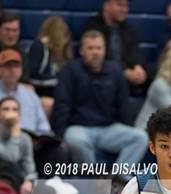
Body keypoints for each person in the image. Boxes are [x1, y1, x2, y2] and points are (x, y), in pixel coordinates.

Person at [52, 30, 148, 166]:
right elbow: (62, 105)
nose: (95, 52)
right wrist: (60, 136)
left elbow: (123, 105)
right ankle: (94, 179)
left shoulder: (115, 70)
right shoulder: (70, 71)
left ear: (104, 50)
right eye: (90, 48)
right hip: (79, 128)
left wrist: (126, 126)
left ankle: (119, 178)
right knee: (75, 140)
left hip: (108, 129)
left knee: (140, 137)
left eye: (99, 48)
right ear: (81, 51)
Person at [83, 0, 148, 98]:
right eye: (119, 5)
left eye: (126, 6)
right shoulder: (93, 26)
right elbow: (100, 57)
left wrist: (138, 67)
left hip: (128, 74)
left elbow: (135, 51)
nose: (124, 9)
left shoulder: (128, 28)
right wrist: (124, 71)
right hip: (103, 74)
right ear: (106, 6)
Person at [28, 16, 73, 118]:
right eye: (63, 34)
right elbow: (32, 76)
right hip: (40, 94)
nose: (66, 39)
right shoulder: (39, 47)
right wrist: (60, 81)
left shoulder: (65, 53)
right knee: (49, 104)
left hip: (58, 95)